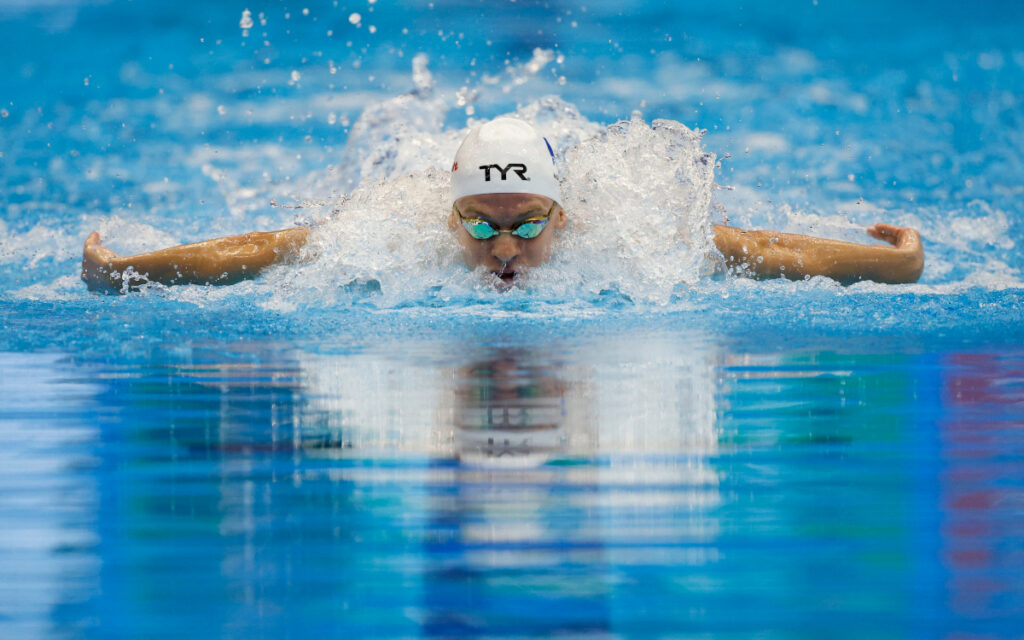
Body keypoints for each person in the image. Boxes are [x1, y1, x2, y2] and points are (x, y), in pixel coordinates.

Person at [81, 117, 924, 293]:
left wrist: (900, 262)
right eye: (478, 224)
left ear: (566, 215)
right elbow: (262, 248)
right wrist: (124, 270)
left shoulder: (625, 237)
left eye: (525, 225)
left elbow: (772, 251)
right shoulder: (403, 230)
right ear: (451, 214)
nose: (503, 252)